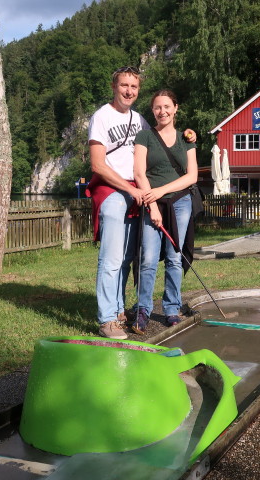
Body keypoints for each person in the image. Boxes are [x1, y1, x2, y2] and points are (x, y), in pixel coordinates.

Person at [87, 68, 195, 339]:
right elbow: (98, 164)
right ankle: (107, 318)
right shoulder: (101, 116)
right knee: (111, 258)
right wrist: (130, 189)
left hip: (138, 194)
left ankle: (120, 310)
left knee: (127, 258)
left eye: (133, 86)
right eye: (124, 85)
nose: (129, 91)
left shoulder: (139, 120)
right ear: (114, 86)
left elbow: (162, 135)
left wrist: (189, 135)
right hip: (114, 191)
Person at [131, 89, 198, 335]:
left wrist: (162, 191)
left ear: (175, 108)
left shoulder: (187, 139)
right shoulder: (145, 136)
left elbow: (191, 176)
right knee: (148, 258)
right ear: (153, 111)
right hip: (152, 203)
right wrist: (153, 204)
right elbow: (139, 173)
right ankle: (143, 309)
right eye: (158, 107)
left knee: (174, 257)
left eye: (167, 106)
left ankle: (172, 309)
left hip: (180, 202)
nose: (163, 111)